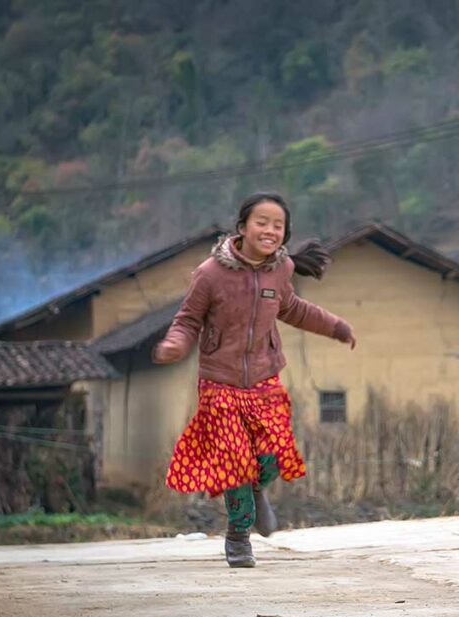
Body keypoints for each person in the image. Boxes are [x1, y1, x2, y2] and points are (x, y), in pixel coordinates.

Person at [153, 191, 357, 568]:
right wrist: (174, 345)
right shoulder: (210, 274)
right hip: (220, 382)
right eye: (261, 222)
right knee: (235, 461)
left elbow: (293, 309)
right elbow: (188, 320)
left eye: (278, 225)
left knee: (271, 455)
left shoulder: (281, 270)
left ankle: (258, 487)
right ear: (242, 227)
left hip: (264, 378)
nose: (269, 230)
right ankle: (238, 536)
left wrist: (336, 326)